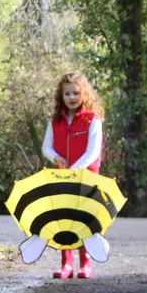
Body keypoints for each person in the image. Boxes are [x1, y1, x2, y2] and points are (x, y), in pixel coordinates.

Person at [42, 72, 106, 279]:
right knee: (64, 220)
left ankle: (85, 264)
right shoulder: (55, 121)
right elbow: (46, 147)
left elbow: (93, 152)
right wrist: (56, 158)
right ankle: (66, 264)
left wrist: (75, 169)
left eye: (76, 93)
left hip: (87, 178)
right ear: (61, 96)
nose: (71, 97)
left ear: (84, 93)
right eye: (67, 93)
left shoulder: (92, 120)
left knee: (84, 219)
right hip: (61, 178)